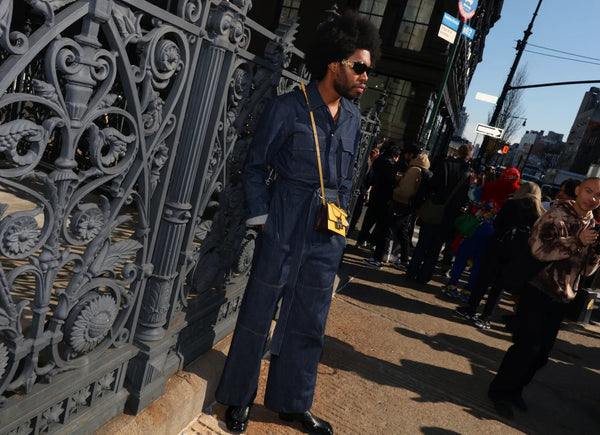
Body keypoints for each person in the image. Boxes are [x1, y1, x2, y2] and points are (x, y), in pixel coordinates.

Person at [214, 10, 381, 435]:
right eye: (359, 66)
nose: (365, 76)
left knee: (311, 319)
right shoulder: (288, 109)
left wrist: (340, 234)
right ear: (334, 64)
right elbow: (255, 169)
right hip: (286, 220)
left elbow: (348, 179)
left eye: (368, 68)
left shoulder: (355, 119)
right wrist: (266, 219)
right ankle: (237, 397)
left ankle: (292, 403)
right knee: (258, 311)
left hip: (328, 231)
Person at [488, 177, 600, 419]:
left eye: (598, 196)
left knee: (541, 355)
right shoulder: (558, 214)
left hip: (561, 296)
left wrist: (595, 255)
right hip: (538, 289)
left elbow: (586, 270)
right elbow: (539, 250)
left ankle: (516, 389)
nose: (593, 198)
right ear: (578, 191)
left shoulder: (590, 222)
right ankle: (500, 392)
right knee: (526, 348)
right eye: (589, 191)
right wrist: (577, 241)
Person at [454, 182, 546, 329]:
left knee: (483, 280)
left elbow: (497, 224)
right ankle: (486, 316)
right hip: (516, 254)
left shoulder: (512, 204)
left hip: (497, 247)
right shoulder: (540, 212)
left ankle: (471, 308)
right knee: (498, 287)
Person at [441, 166, 520, 301]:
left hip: (476, 227)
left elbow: (473, 198)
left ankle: (452, 285)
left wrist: (472, 185)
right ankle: (468, 291)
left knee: (462, 256)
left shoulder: (490, 185)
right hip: (495, 231)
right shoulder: (517, 193)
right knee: (479, 262)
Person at [405, 144, 473, 283]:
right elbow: (466, 197)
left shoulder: (446, 164)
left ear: (458, 152)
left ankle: (412, 272)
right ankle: (425, 276)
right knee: (436, 248)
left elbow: (433, 184)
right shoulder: (468, 172)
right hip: (450, 215)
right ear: (469, 156)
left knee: (423, 243)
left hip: (435, 208)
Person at [363, 149, 430, 269]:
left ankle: (377, 259)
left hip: (400, 203)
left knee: (387, 231)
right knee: (403, 233)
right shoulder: (422, 171)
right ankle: (404, 261)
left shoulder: (414, 170)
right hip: (408, 206)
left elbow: (405, 190)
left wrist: (395, 192)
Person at [355, 142, 403, 249]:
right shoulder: (392, 166)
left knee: (368, 219)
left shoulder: (378, 160)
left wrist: (367, 187)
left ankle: (361, 240)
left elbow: (370, 176)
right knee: (380, 221)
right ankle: (372, 242)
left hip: (375, 192)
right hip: (385, 196)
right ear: (395, 156)